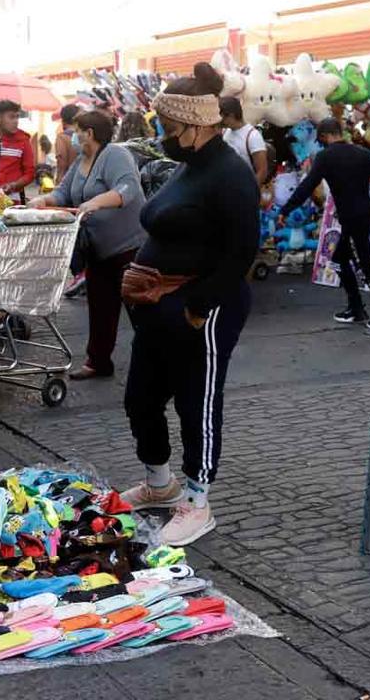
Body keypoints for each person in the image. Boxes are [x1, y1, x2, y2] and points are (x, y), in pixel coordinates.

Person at [119, 62, 259, 546]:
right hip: (159, 307)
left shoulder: (230, 174)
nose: (163, 134)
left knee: (196, 401)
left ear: (197, 126)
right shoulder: (190, 165)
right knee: (141, 396)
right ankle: (160, 485)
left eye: (169, 127)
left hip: (203, 307)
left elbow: (242, 251)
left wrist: (197, 306)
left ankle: (198, 500)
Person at [28, 111, 145, 379]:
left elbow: (128, 189)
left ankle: (158, 362)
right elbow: (64, 191)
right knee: (101, 306)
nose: (73, 136)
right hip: (98, 249)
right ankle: (98, 362)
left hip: (128, 247)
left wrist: (96, 202)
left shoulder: (115, 155)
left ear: (89, 133)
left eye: (77, 130)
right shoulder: (82, 160)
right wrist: (44, 201)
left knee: (140, 310)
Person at [279, 117, 370, 332]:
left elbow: (308, 186)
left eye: (321, 139)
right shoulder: (363, 154)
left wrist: (286, 209)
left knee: (365, 268)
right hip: (363, 216)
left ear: (326, 136)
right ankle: (356, 308)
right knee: (338, 260)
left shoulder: (325, 157)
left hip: (353, 220)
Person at [0, 99, 35, 202]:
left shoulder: (24, 140)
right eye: (11, 117)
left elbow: (30, 173)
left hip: (12, 199)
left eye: (17, 117)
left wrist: (13, 185)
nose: (16, 121)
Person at [219, 97, 267, 186]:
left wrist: (249, 192)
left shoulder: (253, 136)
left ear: (231, 116)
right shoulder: (225, 131)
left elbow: (262, 171)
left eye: (222, 118)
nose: (220, 122)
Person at [54, 104, 81, 182]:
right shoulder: (85, 135)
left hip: (69, 181)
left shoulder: (62, 138)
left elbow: (61, 164)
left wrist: (58, 182)